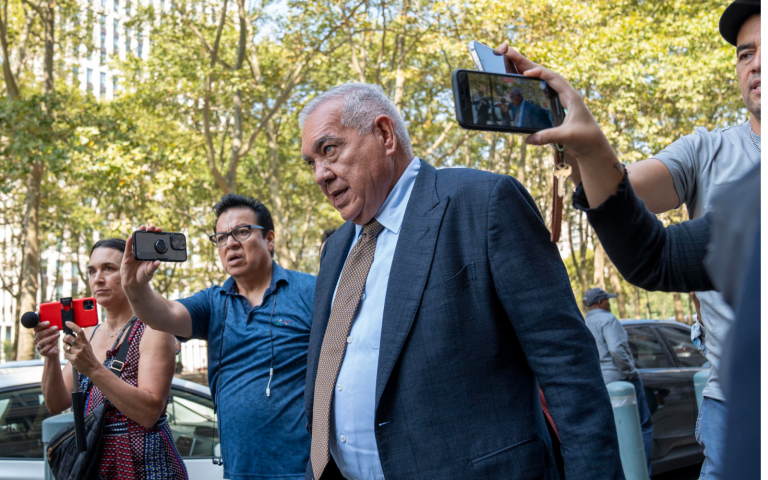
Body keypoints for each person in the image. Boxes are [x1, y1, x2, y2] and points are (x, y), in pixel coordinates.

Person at [298, 83, 623, 479]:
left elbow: (567, 366)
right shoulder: (336, 250)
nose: (319, 175)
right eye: (310, 162)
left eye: (329, 150)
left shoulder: (484, 204)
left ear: (384, 135)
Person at [493, 34, 760, 480]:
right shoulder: (709, 154)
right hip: (736, 403)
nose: (754, 64)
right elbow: (632, 215)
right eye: (746, 53)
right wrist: (581, 142)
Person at [119, 195, 316, 480]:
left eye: (242, 232)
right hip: (237, 473)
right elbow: (162, 314)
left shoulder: (310, 291)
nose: (230, 244)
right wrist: (134, 286)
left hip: (304, 471)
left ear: (269, 239)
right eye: (221, 237)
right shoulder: (213, 302)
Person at [33, 239, 188, 479]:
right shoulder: (90, 334)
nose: (98, 278)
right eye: (92, 271)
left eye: (108, 268)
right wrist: (51, 357)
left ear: (129, 272)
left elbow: (149, 413)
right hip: (97, 466)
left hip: (146, 467)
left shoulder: (154, 329)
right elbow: (55, 404)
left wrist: (93, 368)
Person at [583, 288, 653, 478]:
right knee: (642, 427)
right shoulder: (608, 319)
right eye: (607, 300)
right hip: (621, 380)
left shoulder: (583, 322)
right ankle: (641, 474)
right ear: (599, 303)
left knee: (616, 433)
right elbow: (616, 349)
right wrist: (631, 372)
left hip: (600, 384)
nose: (609, 303)